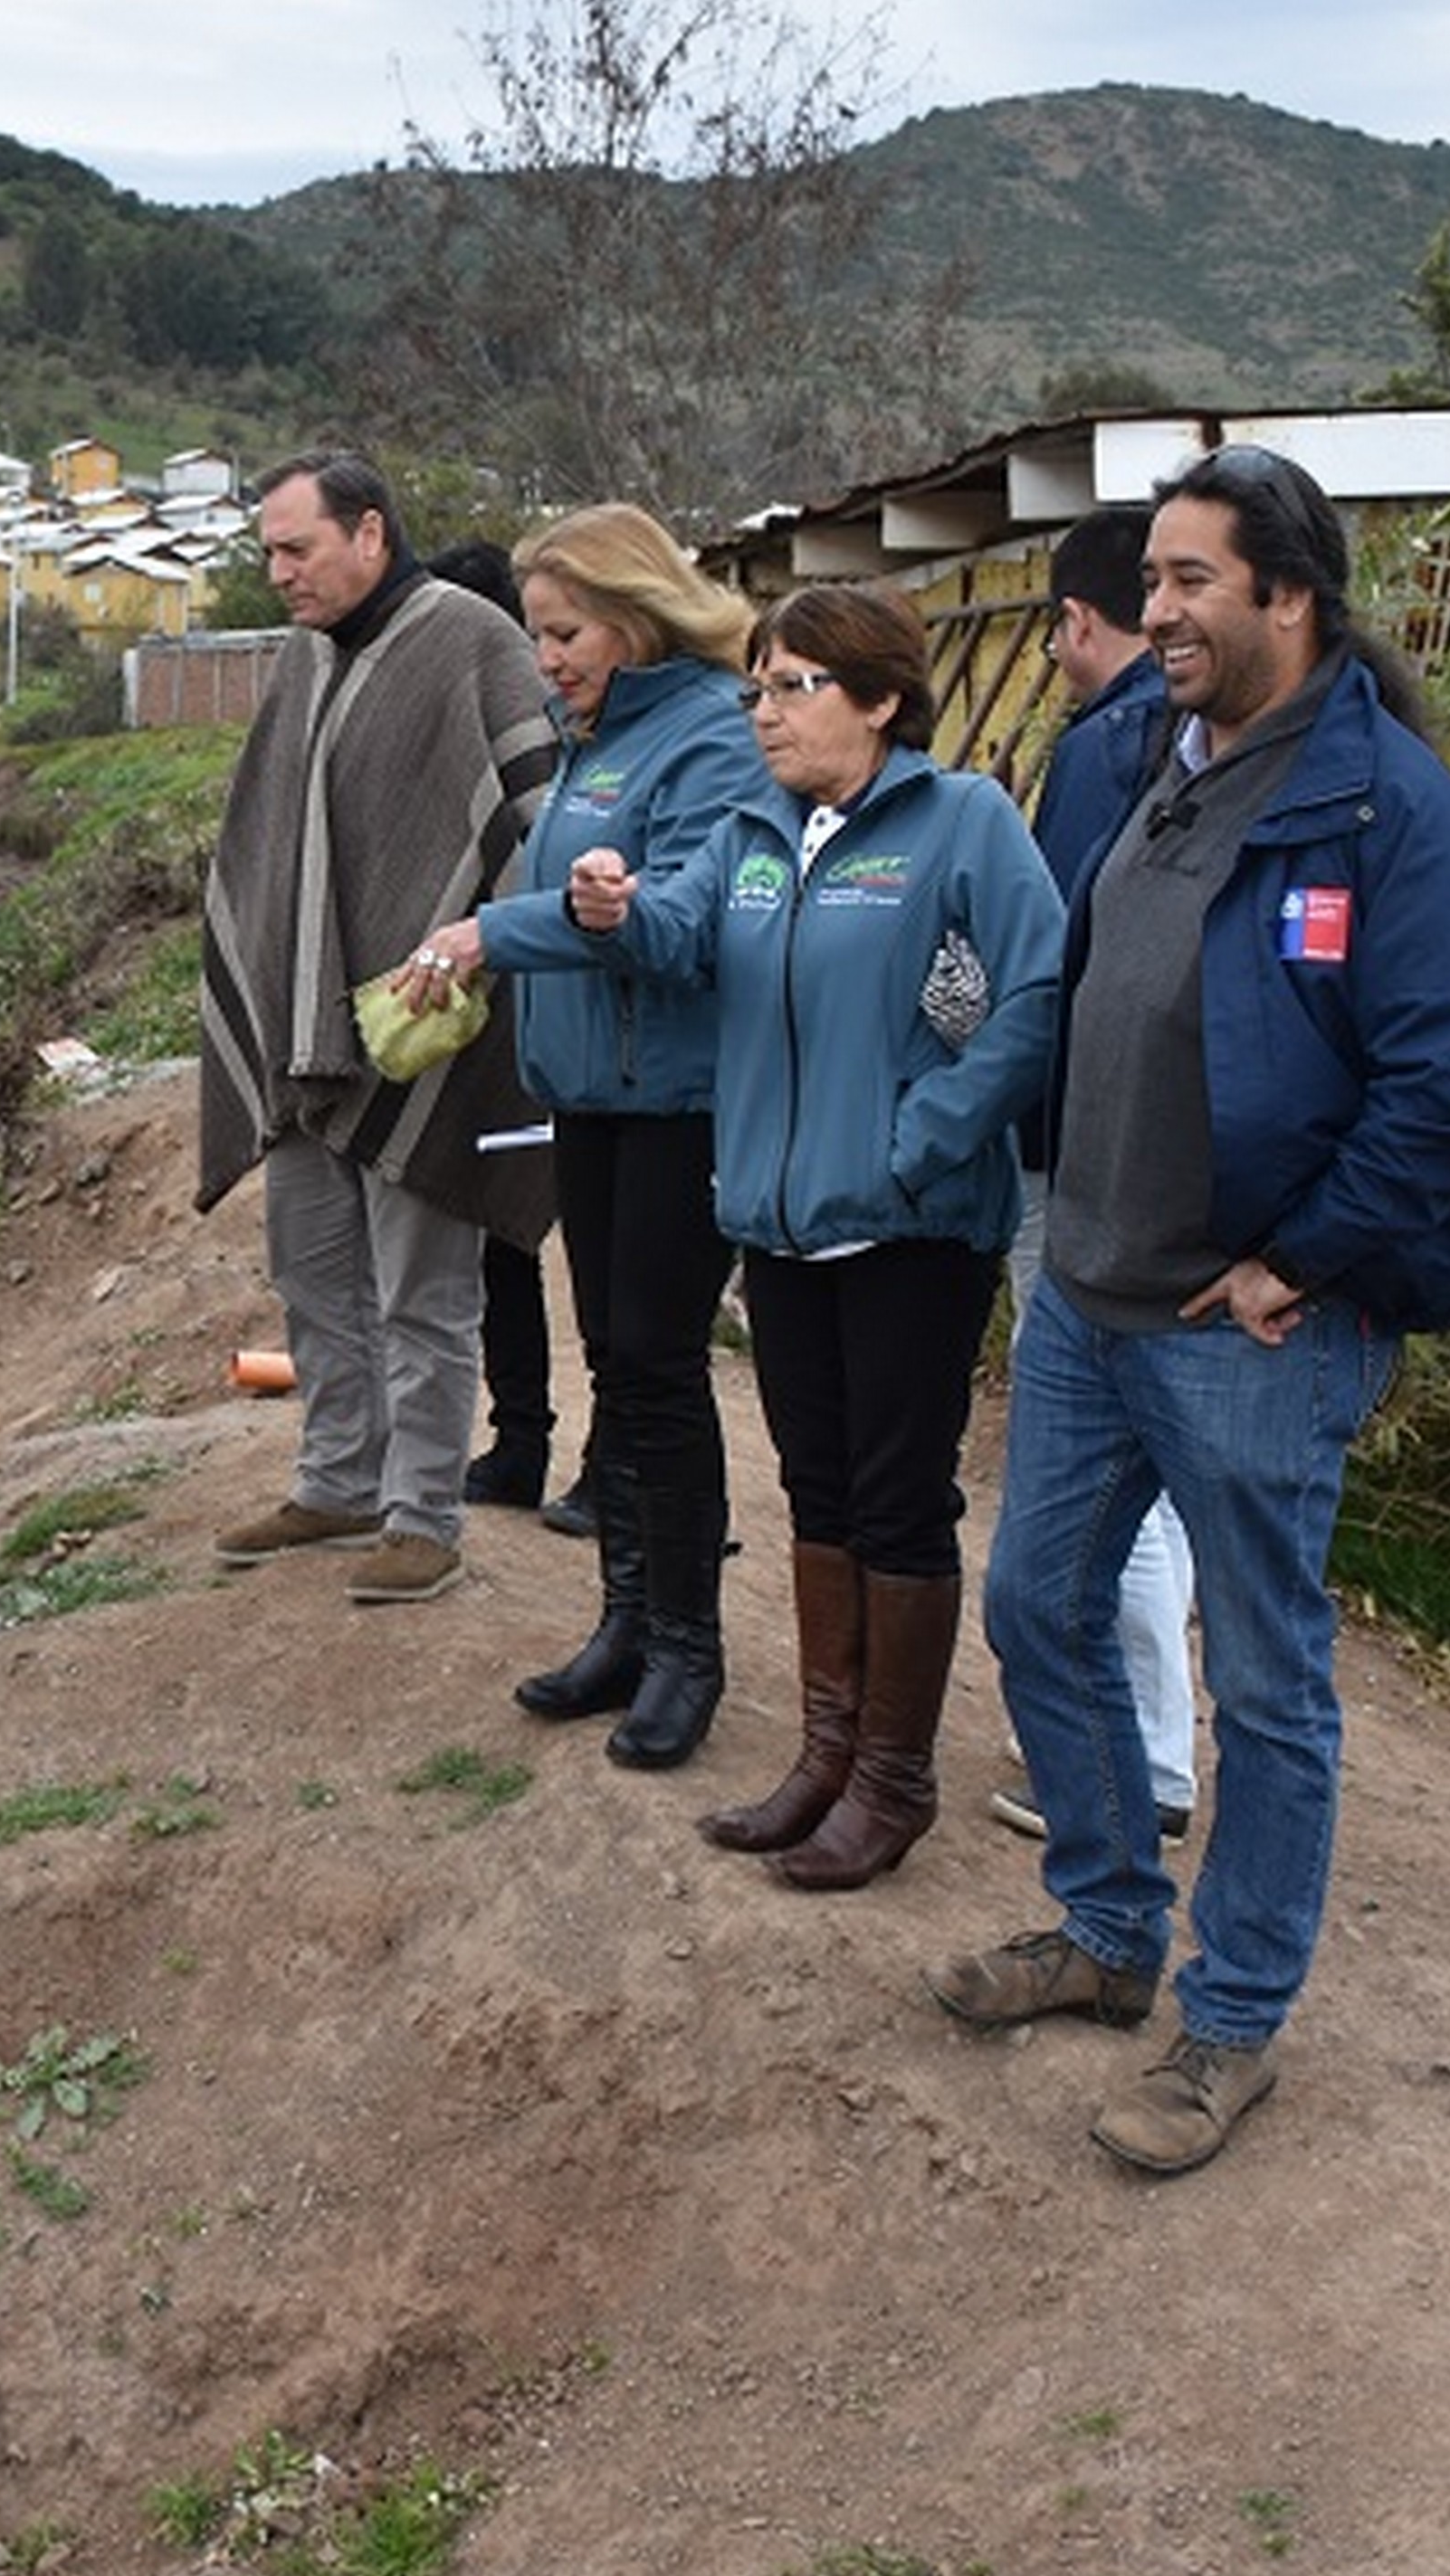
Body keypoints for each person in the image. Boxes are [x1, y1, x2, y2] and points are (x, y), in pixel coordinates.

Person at [927, 443, 1450, 2177]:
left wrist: (1304, 1256)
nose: (1162, 609)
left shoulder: (1385, 807)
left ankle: (1231, 2020)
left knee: (1267, 1685)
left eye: (1196, 581)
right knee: (1037, 1601)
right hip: (1092, 1292)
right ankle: (1113, 1929)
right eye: (1158, 581)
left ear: (1292, 594)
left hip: (1250, 1325)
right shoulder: (1138, 750)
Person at [573, 583, 1063, 1884]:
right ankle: (826, 1754)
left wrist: (927, 1138)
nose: (766, 712)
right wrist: (614, 907)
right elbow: (686, 942)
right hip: (781, 1225)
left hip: (909, 1232)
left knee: (901, 1502)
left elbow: (1033, 992)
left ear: (882, 698)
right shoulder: (754, 828)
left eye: (794, 686)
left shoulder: (960, 823)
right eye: (759, 687)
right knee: (818, 1489)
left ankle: (893, 1780)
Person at [396, 504, 766, 1767]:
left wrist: (511, 931)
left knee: (660, 1366)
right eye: (539, 635)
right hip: (593, 1093)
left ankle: (689, 1649)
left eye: (562, 633)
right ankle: (625, 1620)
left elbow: (682, 927)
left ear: (633, 614)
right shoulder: (590, 736)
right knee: (614, 1357)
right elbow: (576, 901)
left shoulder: (714, 736)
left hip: (677, 1100)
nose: (543, 657)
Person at [196, 452, 562, 1608]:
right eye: (267, 552)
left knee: (421, 1289)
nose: (278, 574)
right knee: (310, 1273)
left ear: (367, 532)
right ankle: (337, 1477)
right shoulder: (305, 658)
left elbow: (532, 821)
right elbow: (269, 834)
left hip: (423, 1030)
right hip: (309, 1031)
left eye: (294, 549)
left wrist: (480, 944)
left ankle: (422, 1514)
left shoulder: (468, 639)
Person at [989, 505, 1205, 1849]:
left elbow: (1057, 956)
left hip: (1083, 1159)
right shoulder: (1203, 744)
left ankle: (1144, 1761)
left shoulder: (1108, 746)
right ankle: (1164, 1739)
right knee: (1162, 1469)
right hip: (1181, 1163)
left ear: (1078, 621)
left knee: (1095, 1456)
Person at [424, 538, 566, 1523]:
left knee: (560, 1241)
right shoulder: (473, 721)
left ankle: (583, 1456)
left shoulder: (550, 732)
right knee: (501, 1230)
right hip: (498, 1016)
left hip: (558, 1019)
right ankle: (520, 1445)